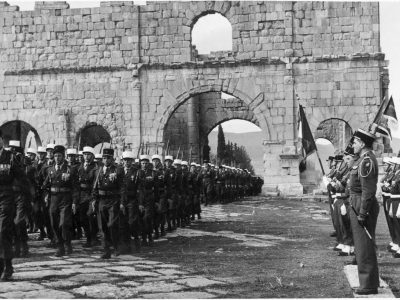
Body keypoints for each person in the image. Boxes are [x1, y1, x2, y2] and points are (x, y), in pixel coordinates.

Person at [348, 129, 379, 295]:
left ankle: (368, 285)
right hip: (357, 203)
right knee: (361, 245)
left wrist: (362, 213)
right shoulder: (360, 160)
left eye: (355, 142)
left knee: (365, 245)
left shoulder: (366, 161)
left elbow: (368, 191)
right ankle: (367, 282)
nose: (353, 145)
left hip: (362, 204)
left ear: (362, 143)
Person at [42, 145, 78, 257]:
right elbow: (45, 185)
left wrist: (74, 202)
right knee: (54, 222)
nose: (57, 158)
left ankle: (66, 243)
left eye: (59, 156)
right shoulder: (50, 169)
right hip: (53, 199)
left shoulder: (70, 169)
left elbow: (75, 187)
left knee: (64, 223)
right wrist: (46, 195)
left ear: (63, 156)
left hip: (65, 198)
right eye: (55, 155)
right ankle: (60, 245)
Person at [92, 148, 125, 259]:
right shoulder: (98, 170)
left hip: (113, 200)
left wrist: (121, 202)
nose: (106, 160)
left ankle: (116, 246)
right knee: (103, 227)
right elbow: (95, 187)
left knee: (112, 224)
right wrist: (94, 200)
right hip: (102, 200)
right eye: (104, 158)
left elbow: (122, 187)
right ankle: (106, 250)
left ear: (112, 159)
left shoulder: (118, 170)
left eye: (108, 158)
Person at [75, 146, 98, 248]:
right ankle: (88, 237)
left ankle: (93, 237)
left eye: (88, 154)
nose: (86, 156)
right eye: (85, 154)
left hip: (91, 194)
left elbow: (95, 183)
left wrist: (94, 197)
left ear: (92, 156)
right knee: (82, 218)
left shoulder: (96, 168)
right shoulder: (78, 167)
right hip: (81, 195)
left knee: (90, 216)